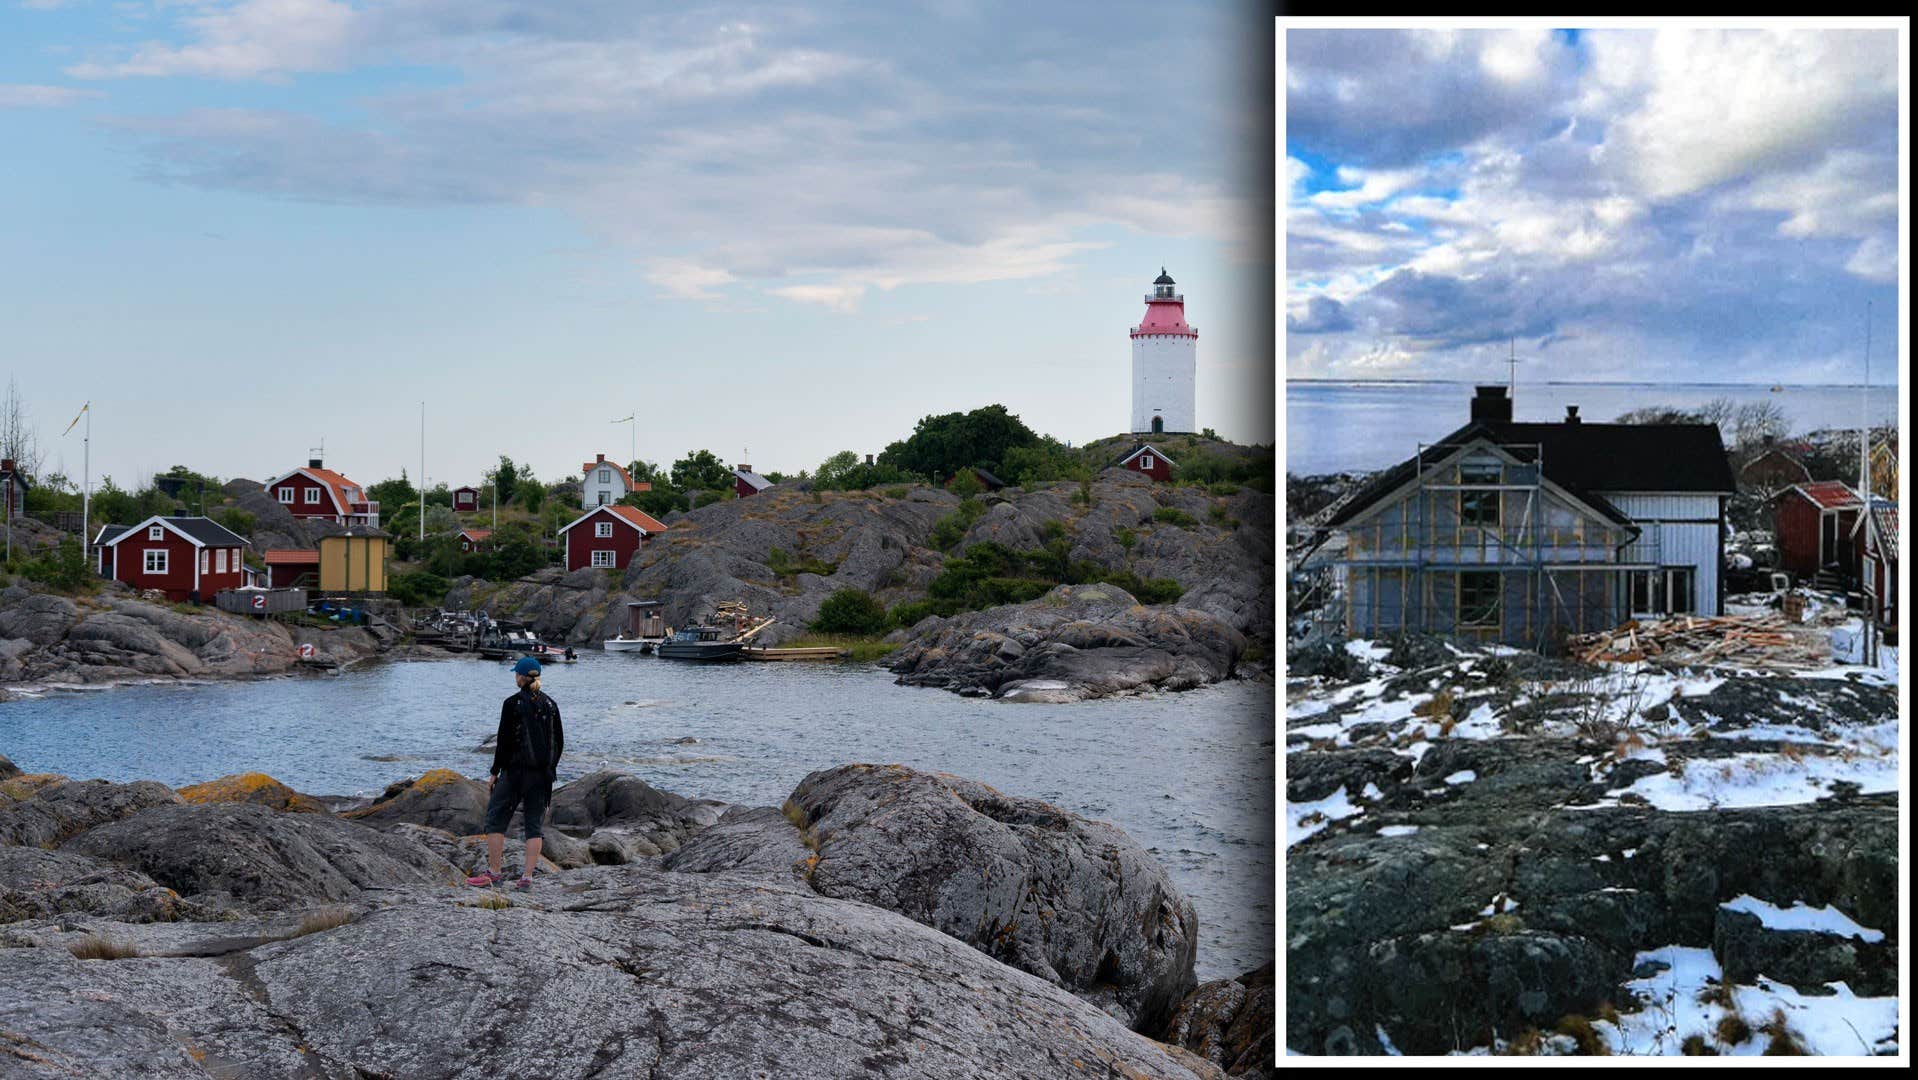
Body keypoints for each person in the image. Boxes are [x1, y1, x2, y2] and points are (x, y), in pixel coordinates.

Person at [467, 656, 564, 889]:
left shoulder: (512, 703)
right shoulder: (551, 705)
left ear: (520, 677)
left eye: (515, 674)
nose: (515, 677)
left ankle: (494, 873)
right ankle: (527, 878)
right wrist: (550, 770)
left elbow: (504, 741)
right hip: (541, 777)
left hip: (514, 774)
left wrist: (494, 772)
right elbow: (559, 742)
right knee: (533, 826)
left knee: (496, 819)